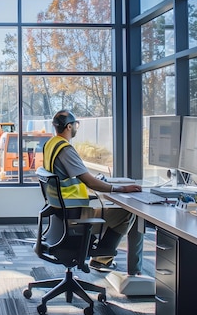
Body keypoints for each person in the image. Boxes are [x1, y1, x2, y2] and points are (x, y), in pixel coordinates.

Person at [43, 109, 142, 272]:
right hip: (75, 216)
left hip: (62, 212)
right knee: (127, 211)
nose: (76, 127)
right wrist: (121, 188)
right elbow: (91, 183)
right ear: (69, 127)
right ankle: (102, 258)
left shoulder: (50, 144)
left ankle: (101, 259)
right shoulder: (65, 149)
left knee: (114, 209)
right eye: (76, 125)